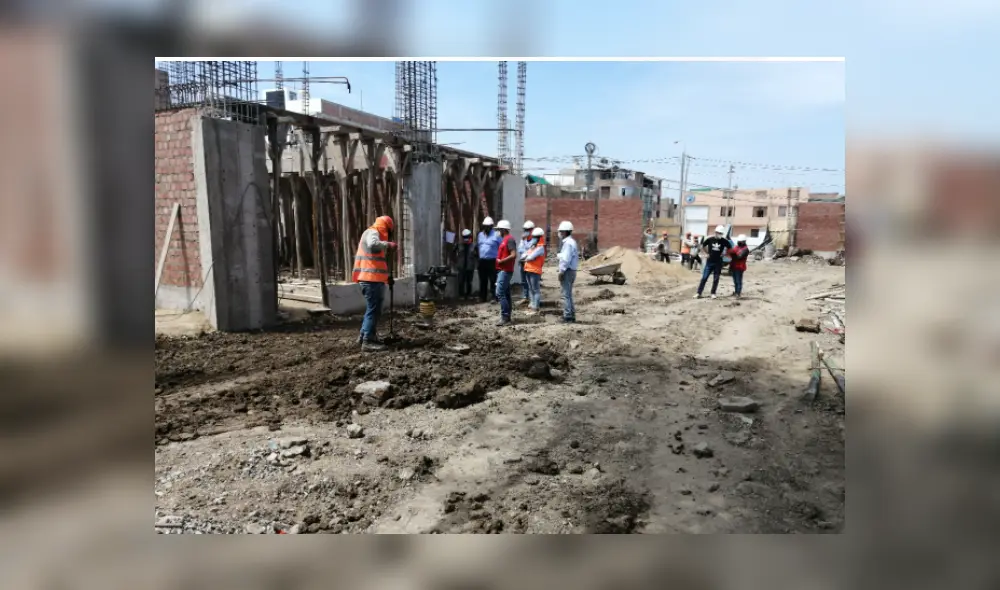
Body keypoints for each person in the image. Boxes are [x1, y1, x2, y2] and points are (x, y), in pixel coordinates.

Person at [352, 215, 397, 351]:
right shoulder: (373, 232)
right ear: (386, 228)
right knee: (374, 310)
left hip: (371, 279)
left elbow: (375, 263)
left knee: (372, 309)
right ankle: (368, 341)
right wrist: (388, 245)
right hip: (370, 280)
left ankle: (363, 335)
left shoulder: (372, 233)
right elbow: (372, 245)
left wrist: (386, 277)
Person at [694, 225, 731, 300]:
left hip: (718, 263)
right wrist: (706, 253)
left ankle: (713, 293)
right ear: (715, 232)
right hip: (709, 262)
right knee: (704, 278)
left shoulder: (724, 241)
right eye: (718, 233)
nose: (719, 234)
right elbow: (702, 246)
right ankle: (699, 293)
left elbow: (730, 248)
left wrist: (725, 254)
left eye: (721, 233)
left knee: (716, 278)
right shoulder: (710, 239)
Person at [493, 220, 517, 326]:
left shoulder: (509, 240)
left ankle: (505, 317)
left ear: (503, 230)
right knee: (506, 294)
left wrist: (502, 261)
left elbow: (513, 255)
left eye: (499, 230)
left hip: (505, 270)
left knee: (500, 293)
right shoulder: (505, 240)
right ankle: (507, 317)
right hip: (502, 270)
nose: (498, 232)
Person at [556, 221, 579, 323]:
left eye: (560, 231)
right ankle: (571, 314)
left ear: (564, 232)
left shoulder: (568, 243)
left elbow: (566, 259)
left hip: (568, 271)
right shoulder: (571, 242)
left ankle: (568, 316)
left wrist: (561, 271)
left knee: (566, 294)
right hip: (571, 270)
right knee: (568, 294)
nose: (559, 233)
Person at [476, 217, 501, 303]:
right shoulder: (480, 235)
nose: (486, 228)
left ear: (491, 226)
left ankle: (494, 297)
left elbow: (501, 247)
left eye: (488, 226)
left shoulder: (496, 235)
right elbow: (478, 247)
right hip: (482, 261)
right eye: (485, 226)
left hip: (492, 261)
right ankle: (482, 297)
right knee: (483, 279)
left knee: (493, 279)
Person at [522, 226, 546, 312]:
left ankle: (536, 306)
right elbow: (524, 255)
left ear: (540, 237)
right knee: (530, 288)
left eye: (536, 237)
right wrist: (526, 256)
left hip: (535, 271)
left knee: (535, 289)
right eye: (534, 237)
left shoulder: (540, 248)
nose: (534, 238)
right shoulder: (534, 247)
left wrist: (527, 257)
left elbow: (530, 257)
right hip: (528, 269)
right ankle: (532, 304)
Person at [454, 229, 477, 300]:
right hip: (461, 266)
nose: (466, 239)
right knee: (461, 281)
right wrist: (456, 261)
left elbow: (477, 255)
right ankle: (461, 295)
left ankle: (468, 295)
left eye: (467, 237)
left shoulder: (474, 246)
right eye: (465, 237)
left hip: (470, 266)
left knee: (469, 281)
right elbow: (453, 252)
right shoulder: (459, 245)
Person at [517, 221, 536, 305]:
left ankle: (533, 300)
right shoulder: (523, 239)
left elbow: (532, 251)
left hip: (531, 263)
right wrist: (526, 251)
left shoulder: (535, 240)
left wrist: (526, 252)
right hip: (523, 262)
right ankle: (525, 297)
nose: (526, 231)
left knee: (531, 282)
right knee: (524, 281)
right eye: (525, 230)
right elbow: (520, 249)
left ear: (532, 230)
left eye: (528, 230)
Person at [728, 234, 750, 299]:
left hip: (740, 267)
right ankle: (736, 292)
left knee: (738, 280)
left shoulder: (746, 249)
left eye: (740, 241)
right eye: (739, 241)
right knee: (735, 281)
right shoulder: (737, 247)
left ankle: (738, 293)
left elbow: (739, 257)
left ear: (744, 241)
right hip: (733, 266)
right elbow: (732, 251)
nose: (739, 242)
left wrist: (732, 254)